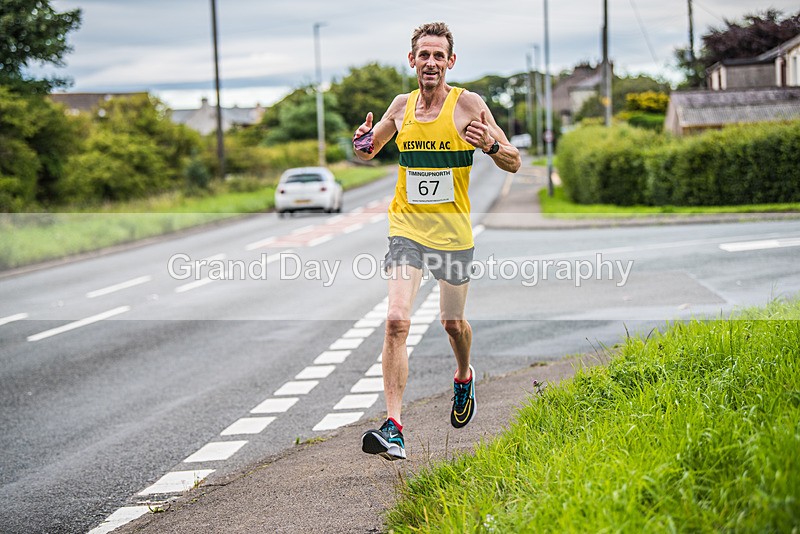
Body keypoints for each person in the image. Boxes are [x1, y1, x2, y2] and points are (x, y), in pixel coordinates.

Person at [354, 22, 521, 461]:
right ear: (412, 60)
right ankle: (394, 428)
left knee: (452, 325)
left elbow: (514, 162)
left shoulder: (468, 103)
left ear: (450, 61)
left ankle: (464, 375)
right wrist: (362, 144)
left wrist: (489, 146)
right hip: (407, 230)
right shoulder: (401, 106)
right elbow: (372, 148)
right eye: (423, 55)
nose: (430, 62)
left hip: (452, 235)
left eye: (438, 55)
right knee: (396, 320)